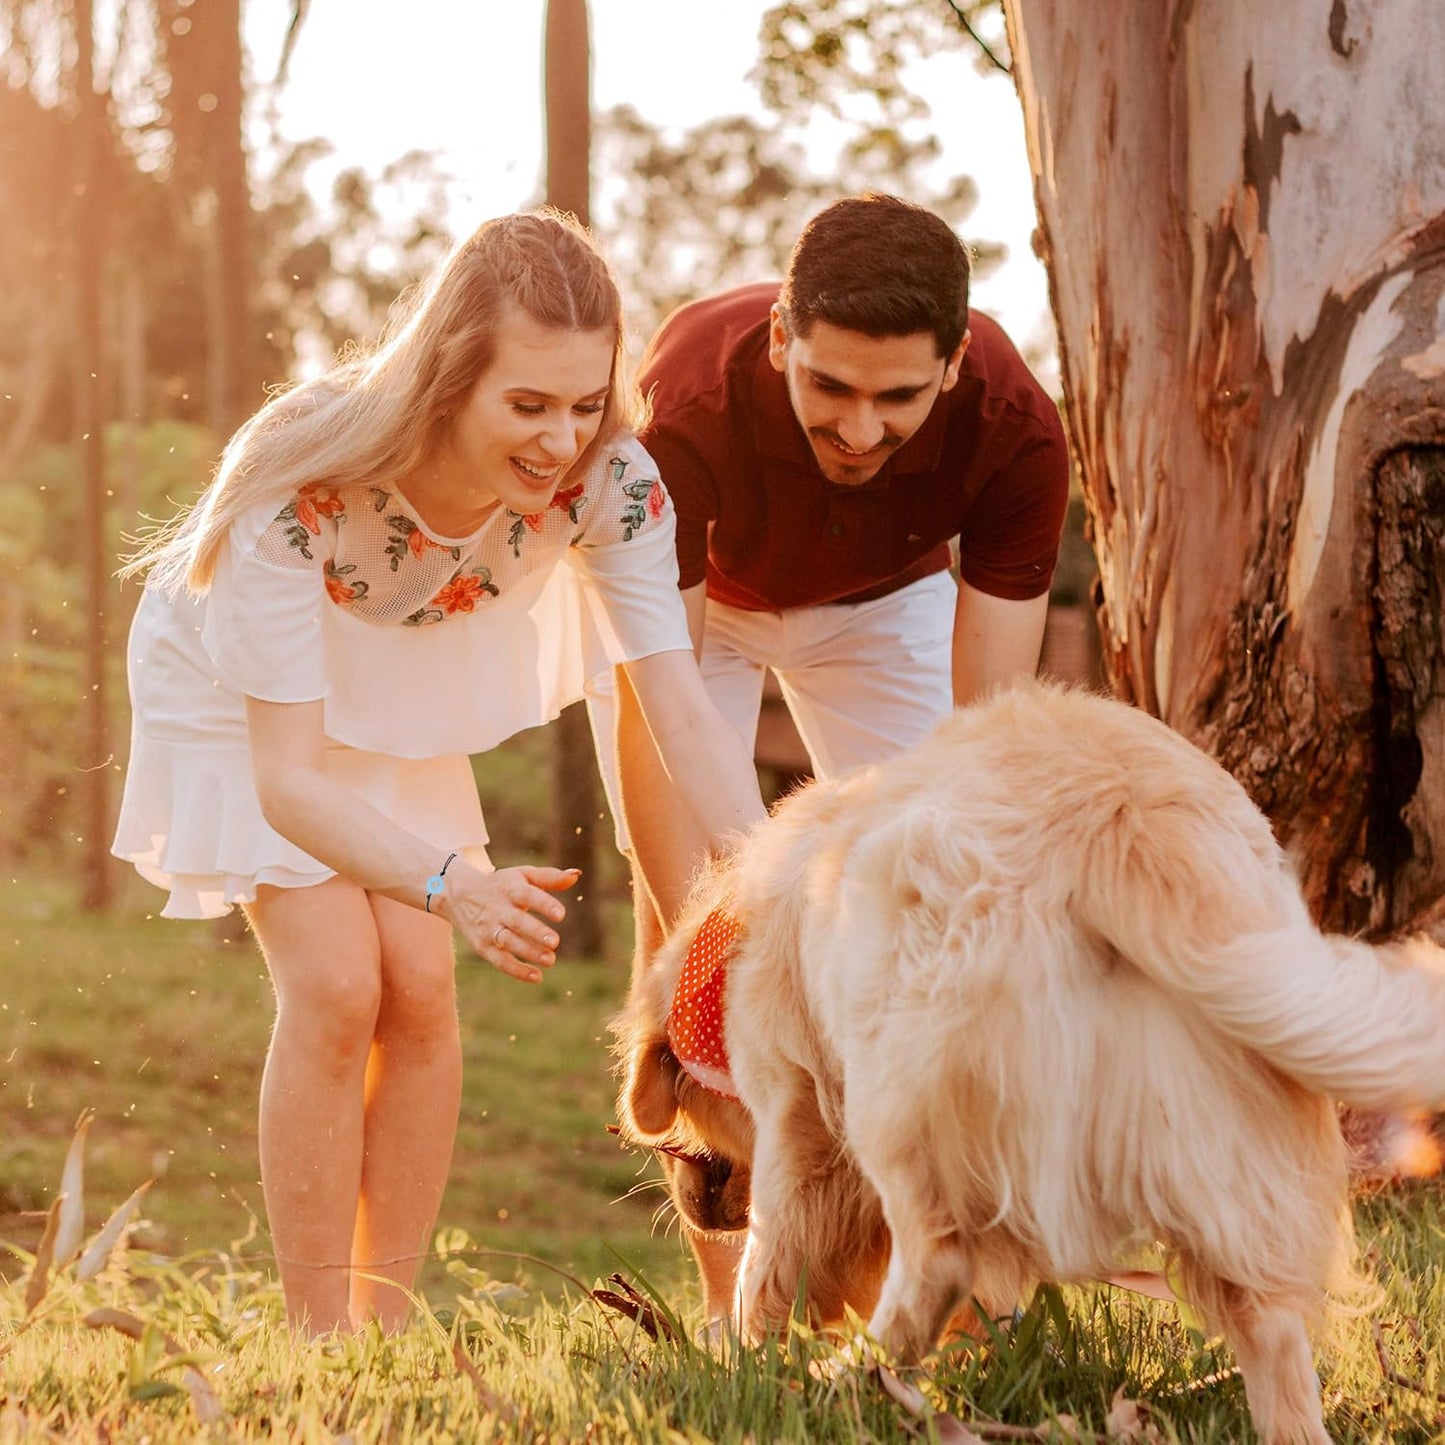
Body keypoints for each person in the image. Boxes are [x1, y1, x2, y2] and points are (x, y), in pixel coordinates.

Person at [111, 209, 766, 1336]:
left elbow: (679, 709)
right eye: (526, 404)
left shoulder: (613, 485)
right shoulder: (302, 479)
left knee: (421, 988)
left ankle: (387, 1319)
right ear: (448, 377)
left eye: (581, 401)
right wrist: (455, 882)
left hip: (397, 678)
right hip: (250, 697)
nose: (560, 438)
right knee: (337, 981)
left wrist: (774, 885)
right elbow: (289, 781)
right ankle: (321, 1337)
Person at [594, 192, 1072, 1321]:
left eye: (898, 396)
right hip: (696, 618)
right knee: (698, 943)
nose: (860, 428)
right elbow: (666, 688)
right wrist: (732, 913)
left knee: (927, 923)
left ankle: (938, 1276)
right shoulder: (691, 402)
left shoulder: (1016, 430)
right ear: (779, 343)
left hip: (879, 603)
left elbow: (981, 743)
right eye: (830, 389)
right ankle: (736, 1310)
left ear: (952, 367)